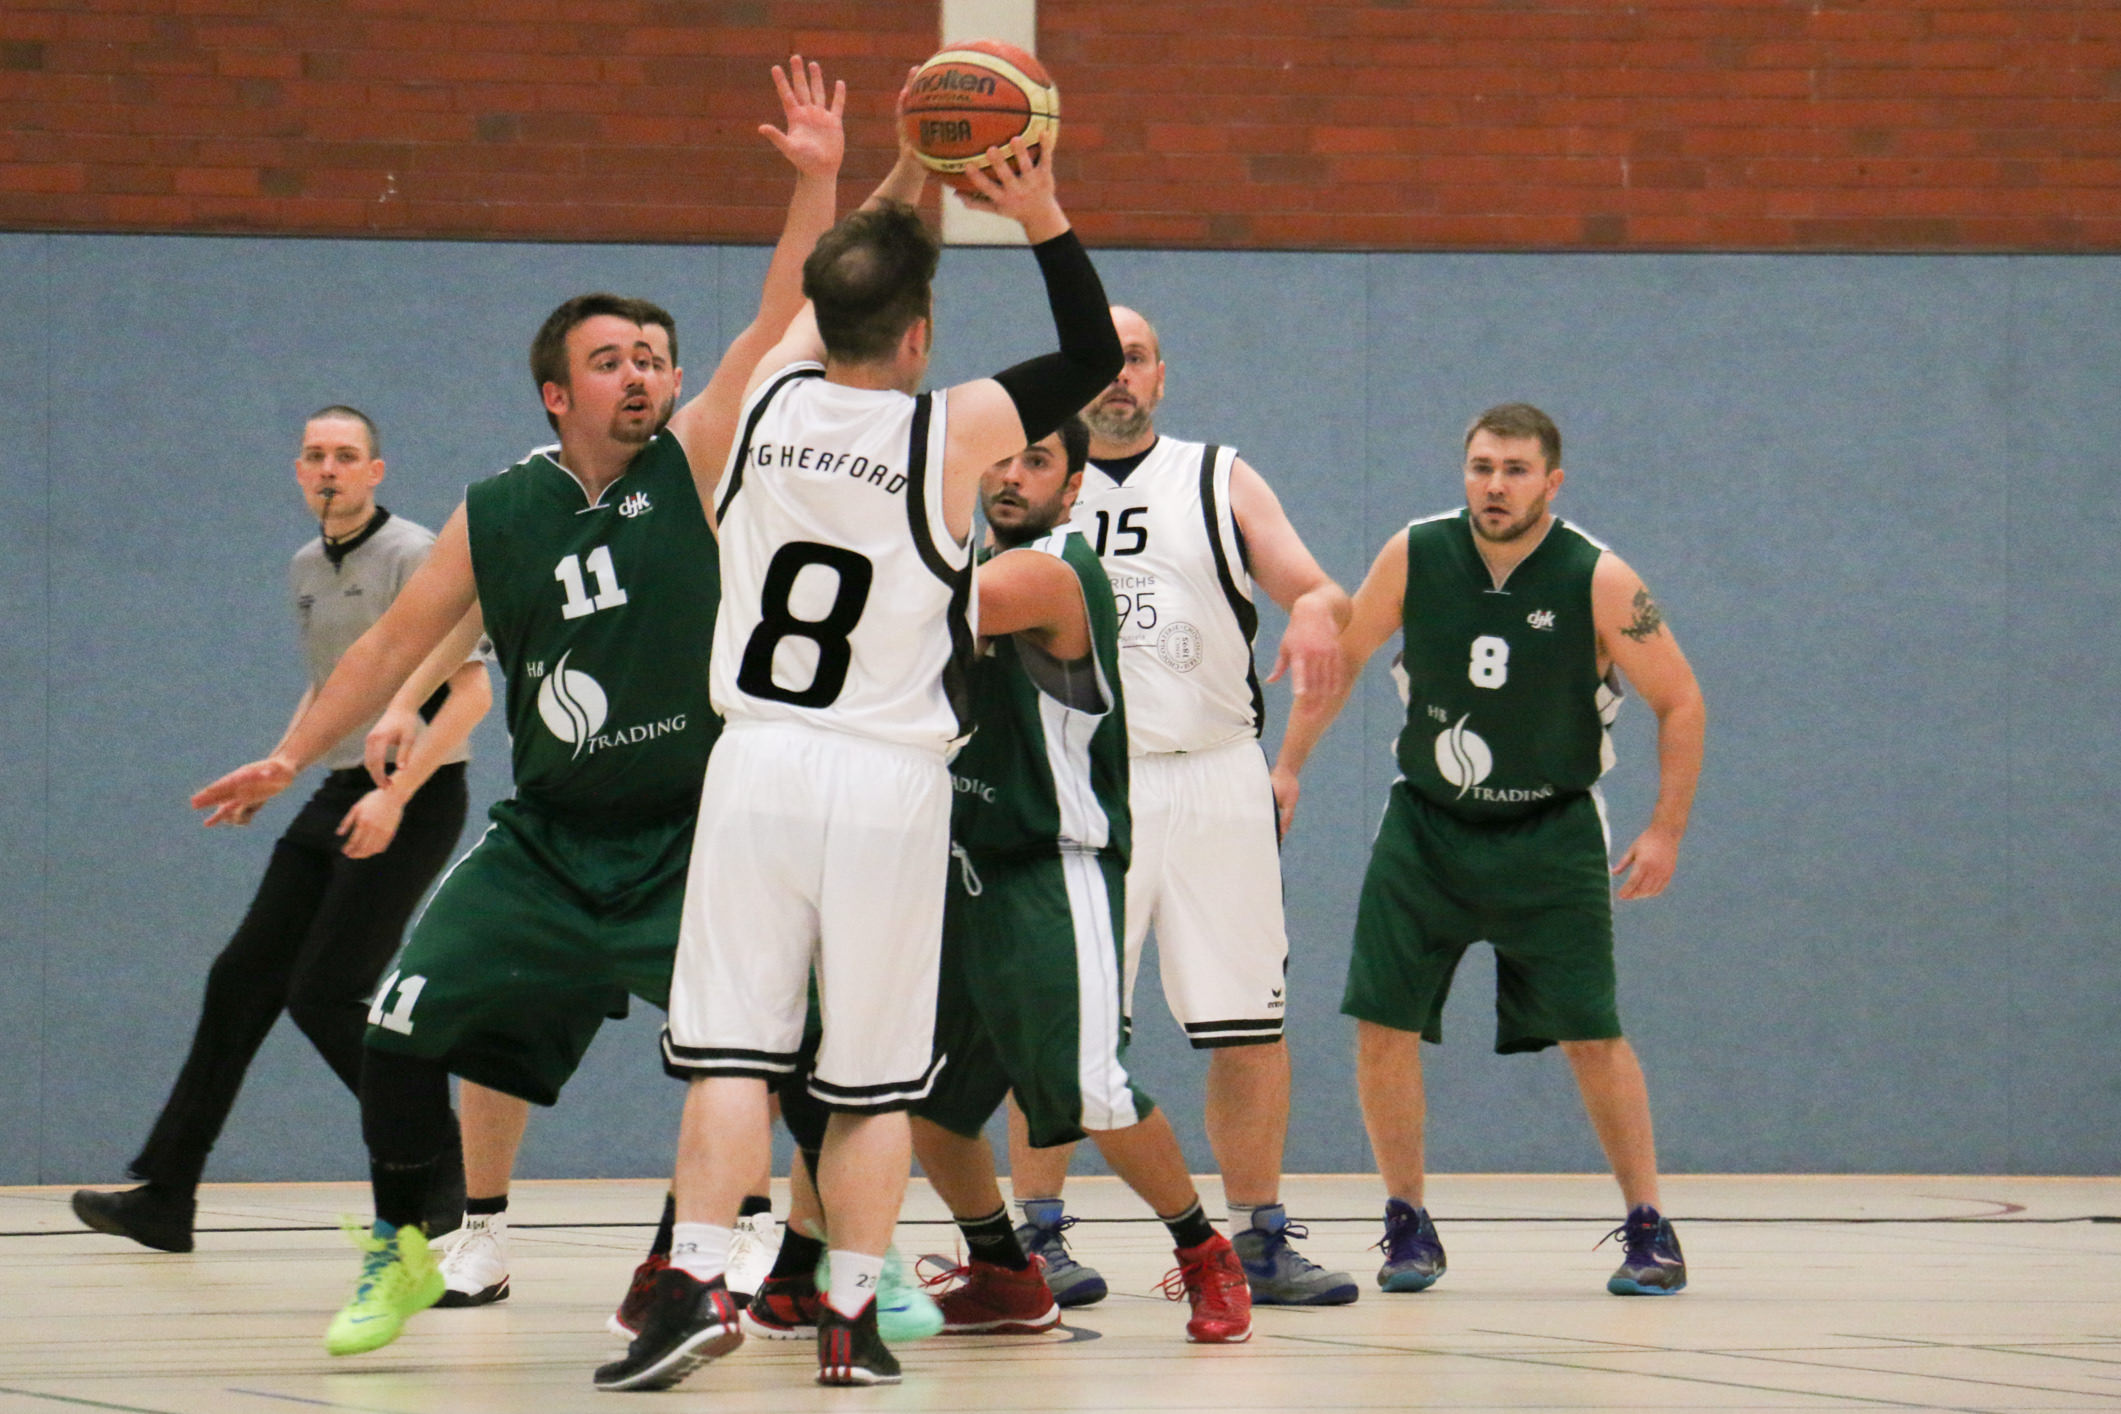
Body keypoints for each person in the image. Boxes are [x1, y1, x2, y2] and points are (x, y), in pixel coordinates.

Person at [190, 57, 850, 1357]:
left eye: (650, 357)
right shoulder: (500, 510)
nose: (639, 374)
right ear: (557, 392)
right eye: (609, 362)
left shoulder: (695, 460)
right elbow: (390, 644)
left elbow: (783, 314)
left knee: (810, 1056)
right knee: (396, 1025)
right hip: (549, 838)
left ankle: (818, 1269)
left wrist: (817, 182)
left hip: (691, 834)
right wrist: (291, 752)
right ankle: (410, 1248)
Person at [598, 127, 1124, 1392]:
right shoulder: (952, 432)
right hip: (888, 780)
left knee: (731, 1057)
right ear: (920, 336)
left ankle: (700, 1286)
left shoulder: (762, 397)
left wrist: (898, 170)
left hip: (758, 765)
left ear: (821, 312)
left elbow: (825, 277)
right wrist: (1038, 209)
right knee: (872, 1083)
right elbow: (1092, 356)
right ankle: (849, 1321)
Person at [1273, 402, 1705, 1296]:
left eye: (1514, 470)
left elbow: (1681, 701)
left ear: (1552, 481)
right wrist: (1286, 767)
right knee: (1382, 1022)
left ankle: (1648, 1225)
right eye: (1481, 467)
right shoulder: (1415, 552)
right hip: (1426, 823)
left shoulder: (1597, 576)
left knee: (1590, 1032)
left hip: (1550, 831)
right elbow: (1341, 661)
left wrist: (1664, 829)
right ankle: (1406, 1223)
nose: (1494, 485)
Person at [1003, 306, 1357, 1308]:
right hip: (1082, 782)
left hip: (1214, 773)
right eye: (1102, 359)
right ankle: (1035, 1236)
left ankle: (1259, 1239)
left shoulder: (1219, 476)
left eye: (1137, 358)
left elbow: (1314, 585)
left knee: (1246, 1018)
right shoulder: (1030, 480)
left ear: (1161, 376)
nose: (1118, 374)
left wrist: (1317, 611)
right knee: (1064, 1016)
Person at [71, 406, 488, 1253]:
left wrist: (397, 795)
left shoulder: (412, 554)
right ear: (299, 472)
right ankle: (166, 1196)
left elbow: (472, 693)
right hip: (339, 786)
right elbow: (334, 685)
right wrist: (281, 766)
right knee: (241, 980)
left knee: (325, 991)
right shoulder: (305, 566)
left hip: (414, 794)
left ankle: (444, 1167)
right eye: (315, 455)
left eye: (346, 455)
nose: (329, 468)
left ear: (374, 471)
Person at [906, 418, 1252, 1345]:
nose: (1012, 476)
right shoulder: (967, 556)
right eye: (1001, 457)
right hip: (963, 869)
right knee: (928, 1102)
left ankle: (1204, 1252)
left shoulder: (1053, 570)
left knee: (1091, 1088)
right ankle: (1003, 1273)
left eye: (1037, 461)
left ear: (1072, 487)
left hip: (1051, 868)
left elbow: (917, 604)